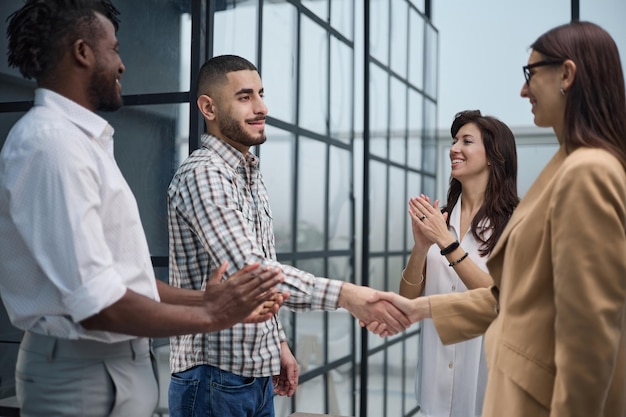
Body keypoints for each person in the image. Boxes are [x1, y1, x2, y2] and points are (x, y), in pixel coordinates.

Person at [0, 2, 287, 416]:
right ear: (82, 52)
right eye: (114, 49)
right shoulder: (51, 145)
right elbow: (98, 304)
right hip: (82, 371)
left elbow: (120, 281)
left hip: (112, 366)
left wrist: (199, 299)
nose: (122, 65)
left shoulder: (82, 144)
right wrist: (212, 314)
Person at [370, 21, 626, 417]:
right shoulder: (567, 167)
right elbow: (509, 299)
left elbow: (589, 335)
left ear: (567, 74)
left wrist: (447, 244)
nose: (524, 89)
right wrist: (418, 302)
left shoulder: (586, 171)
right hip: (439, 393)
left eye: (531, 74)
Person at [166, 54, 411, 417]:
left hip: (254, 377)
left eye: (261, 94)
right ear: (209, 107)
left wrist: (276, 342)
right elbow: (253, 273)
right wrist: (347, 295)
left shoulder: (249, 174)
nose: (262, 107)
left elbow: (265, 264)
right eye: (245, 97)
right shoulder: (204, 175)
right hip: (213, 380)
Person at [399, 110, 518, 417]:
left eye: (467, 141)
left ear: (493, 156)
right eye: (454, 141)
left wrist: (447, 245)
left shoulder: (517, 225)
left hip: (483, 392)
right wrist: (422, 247)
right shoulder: (442, 219)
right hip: (432, 391)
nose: (454, 148)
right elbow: (408, 299)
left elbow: (502, 300)